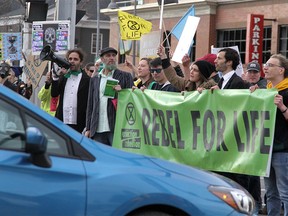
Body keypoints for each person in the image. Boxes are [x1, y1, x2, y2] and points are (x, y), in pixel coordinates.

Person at [85, 47, 133, 146]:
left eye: (113, 55)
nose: (112, 58)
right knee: (101, 159)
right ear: (102, 59)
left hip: (116, 127)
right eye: (108, 56)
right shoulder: (95, 79)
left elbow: (132, 100)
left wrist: (122, 93)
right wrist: (88, 128)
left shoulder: (126, 76)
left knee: (117, 158)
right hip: (97, 128)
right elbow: (90, 105)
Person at [262, 54, 288, 216]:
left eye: (270, 65)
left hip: (283, 150)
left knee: (285, 192)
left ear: (281, 70)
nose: (266, 67)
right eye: (266, 64)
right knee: (271, 193)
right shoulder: (267, 91)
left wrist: (282, 107)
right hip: (265, 150)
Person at [51, 48, 90, 133]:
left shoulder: (87, 80)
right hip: (61, 121)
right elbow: (54, 94)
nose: (72, 61)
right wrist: (56, 78)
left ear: (81, 62)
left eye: (75, 59)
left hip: (79, 123)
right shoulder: (63, 77)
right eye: (70, 59)